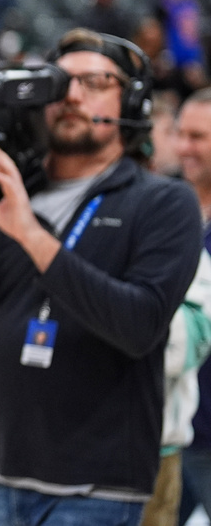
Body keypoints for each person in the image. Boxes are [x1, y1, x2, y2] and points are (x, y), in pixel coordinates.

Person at [0, 27, 203, 526]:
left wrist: (31, 235)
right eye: (61, 82)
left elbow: (139, 324)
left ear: (134, 102)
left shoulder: (164, 201)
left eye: (95, 82)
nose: (72, 95)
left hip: (98, 487)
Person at [176, 88, 211, 524]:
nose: (185, 147)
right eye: (180, 134)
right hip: (166, 427)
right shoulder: (164, 207)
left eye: (198, 137)